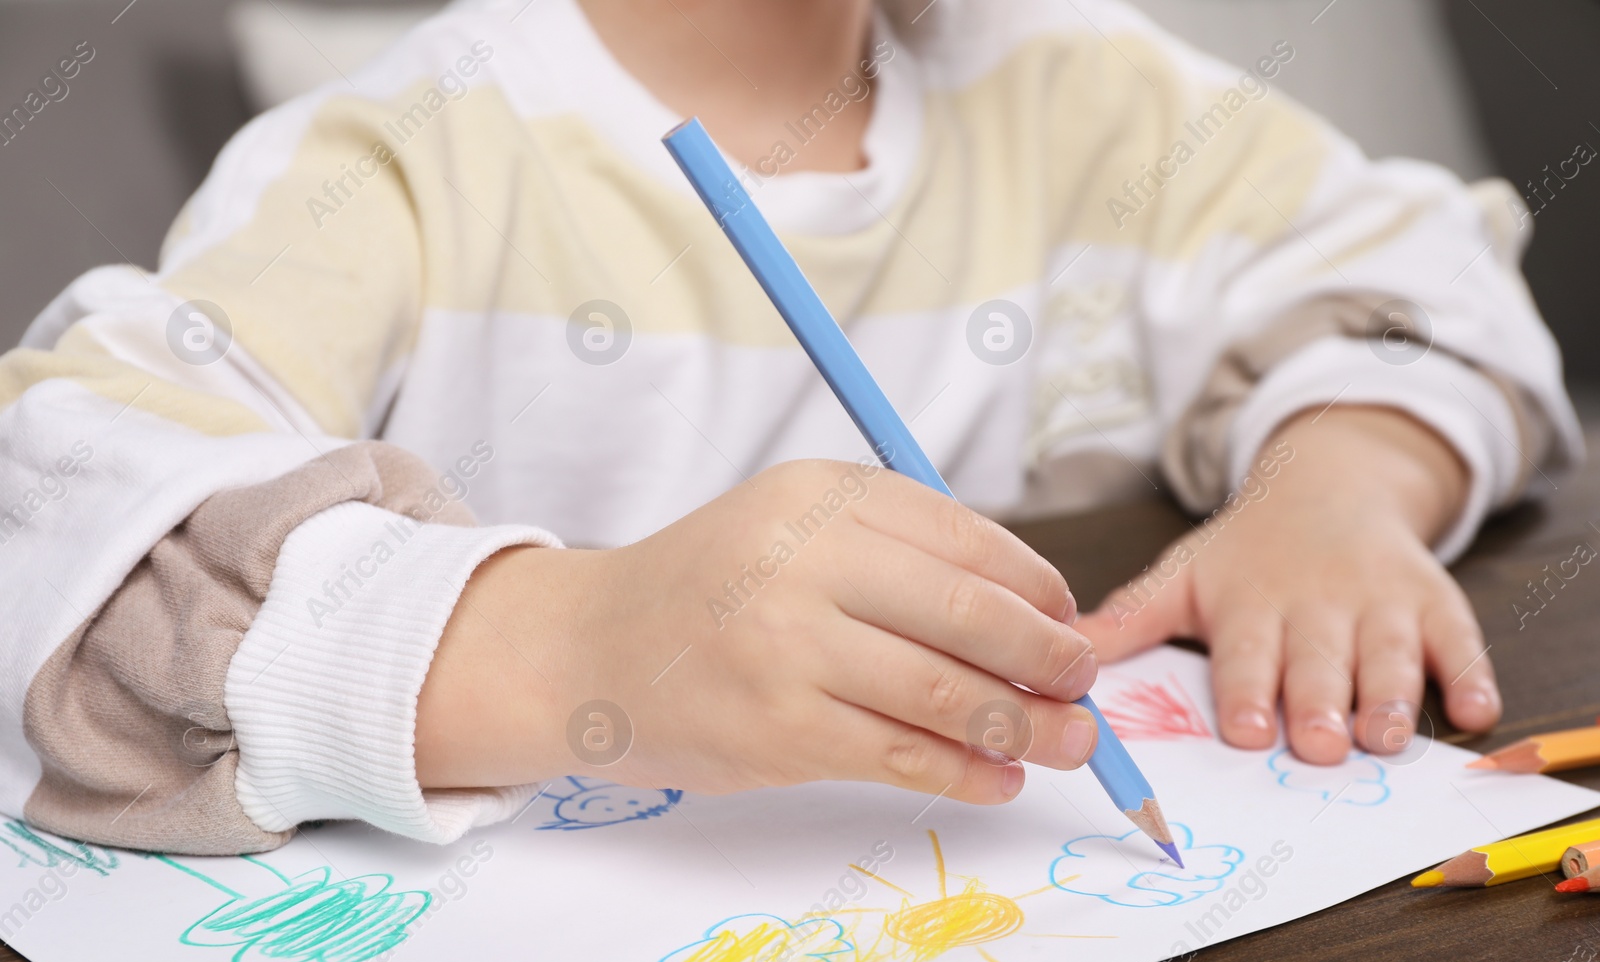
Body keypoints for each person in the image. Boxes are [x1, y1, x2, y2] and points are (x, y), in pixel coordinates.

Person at [0, 0, 1578, 854]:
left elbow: (1420, 271)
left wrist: (1340, 481)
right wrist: (562, 649)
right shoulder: (410, 157)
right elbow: (59, 507)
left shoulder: (1097, 89)